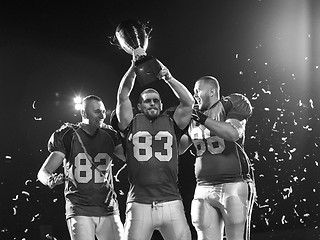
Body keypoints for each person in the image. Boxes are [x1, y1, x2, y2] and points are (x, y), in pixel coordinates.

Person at [112, 54, 194, 240]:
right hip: (139, 204)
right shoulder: (130, 122)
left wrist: (169, 78)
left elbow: (188, 102)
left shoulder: (172, 122)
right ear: (139, 106)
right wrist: (134, 68)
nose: (152, 103)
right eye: (147, 100)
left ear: (161, 104)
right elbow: (122, 95)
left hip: (171, 201)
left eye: (156, 100)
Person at [37, 95, 125, 240]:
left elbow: (132, 159)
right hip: (79, 209)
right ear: (84, 113)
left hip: (108, 208)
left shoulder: (110, 134)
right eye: (97, 111)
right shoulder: (68, 134)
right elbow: (43, 172)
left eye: (103, 111)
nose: (102, 115)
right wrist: (50, 180)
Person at [179, 76, 256, 240]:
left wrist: (203, 119)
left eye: (197, 90)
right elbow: (179, 148)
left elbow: (232, 133)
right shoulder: (195, 116)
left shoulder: (231, 104)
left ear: (212, 91)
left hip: (233, 183)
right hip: (203, 186)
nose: (195, 95)